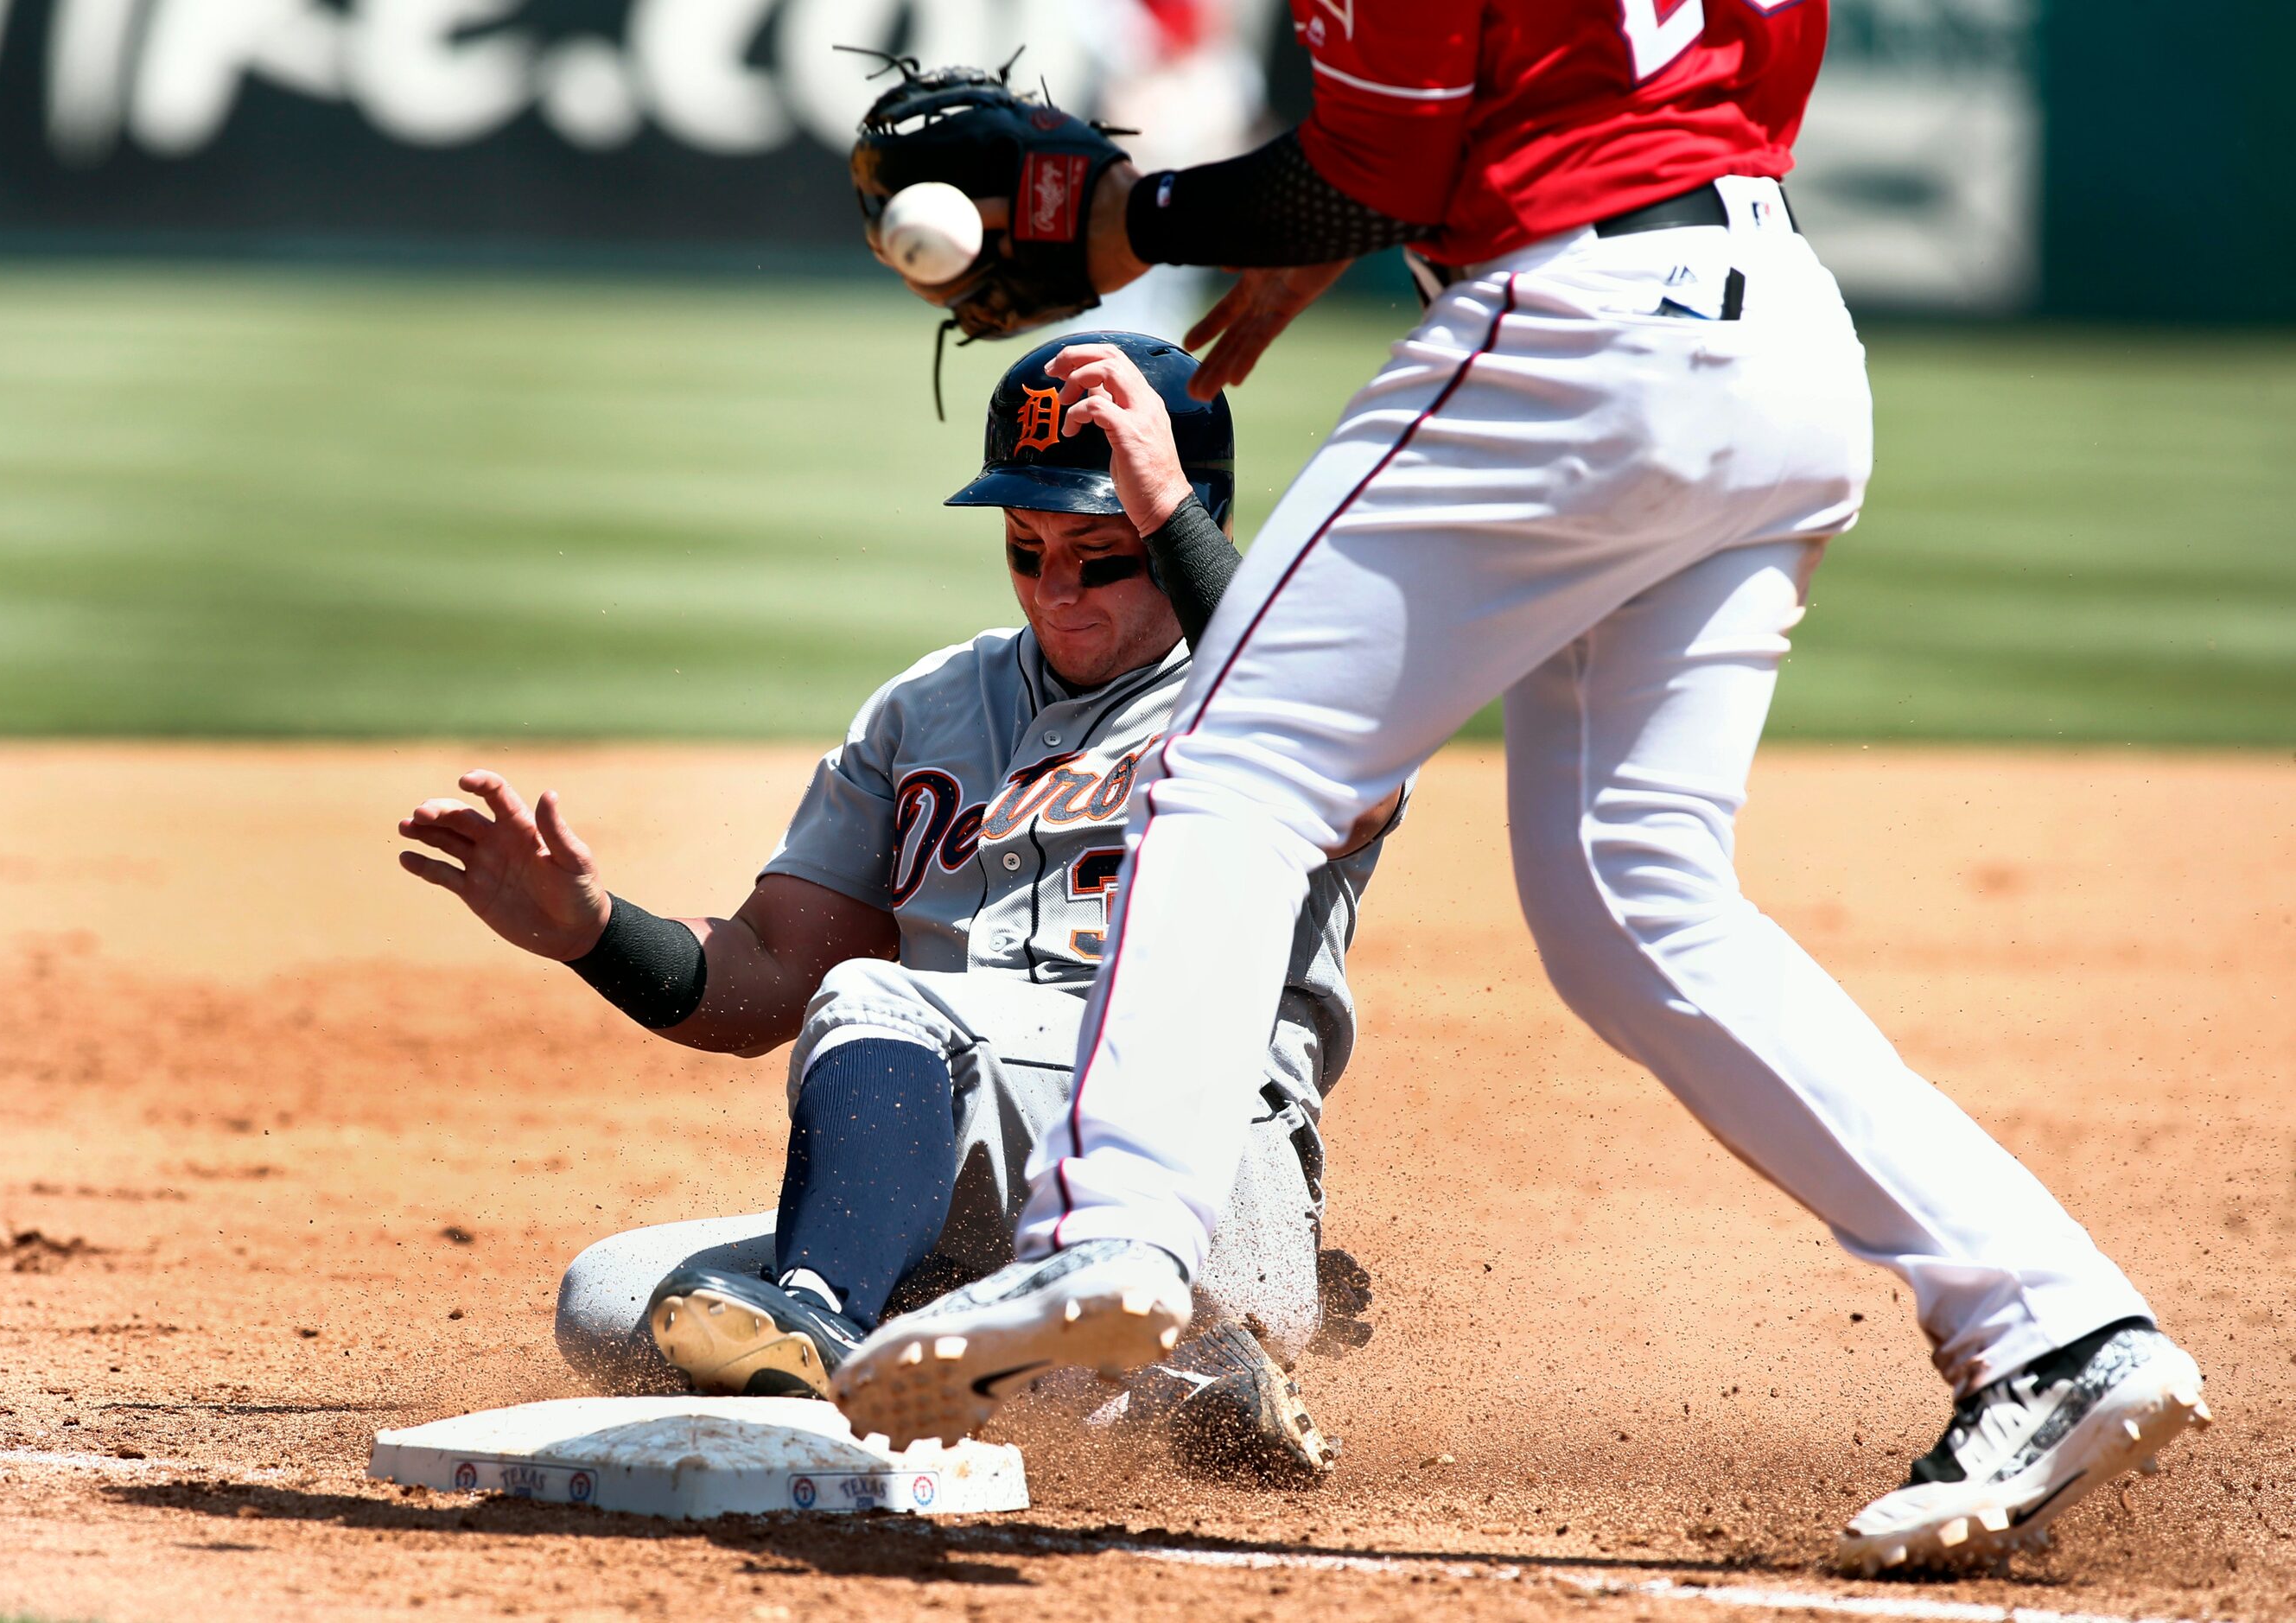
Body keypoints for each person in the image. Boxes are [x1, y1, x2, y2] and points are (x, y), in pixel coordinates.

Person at [833, 0, 2210, 1571]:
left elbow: (1386, 150)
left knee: (1231, 764)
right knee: (1630, 896)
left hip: (1577, 333)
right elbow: (1584, 112)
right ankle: (2056, 1328)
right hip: (1781, 341)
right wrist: (1370, 204)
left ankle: (1114, 1231)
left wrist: (1131, 226)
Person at [395, 332, 1399, 1481]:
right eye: (1027, 549)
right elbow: (768, 972)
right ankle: (1182, 1378)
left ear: (1186, 530)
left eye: (1104, 555)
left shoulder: (1287, 699)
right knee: (614, 1301)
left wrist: (1166, 500)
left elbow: (1353, 778)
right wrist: (591, 930)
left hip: (1209, 1173)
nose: (1055, 590)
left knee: (884, 1004)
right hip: (988, 1197)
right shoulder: (930, 709)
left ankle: (826, 1318)